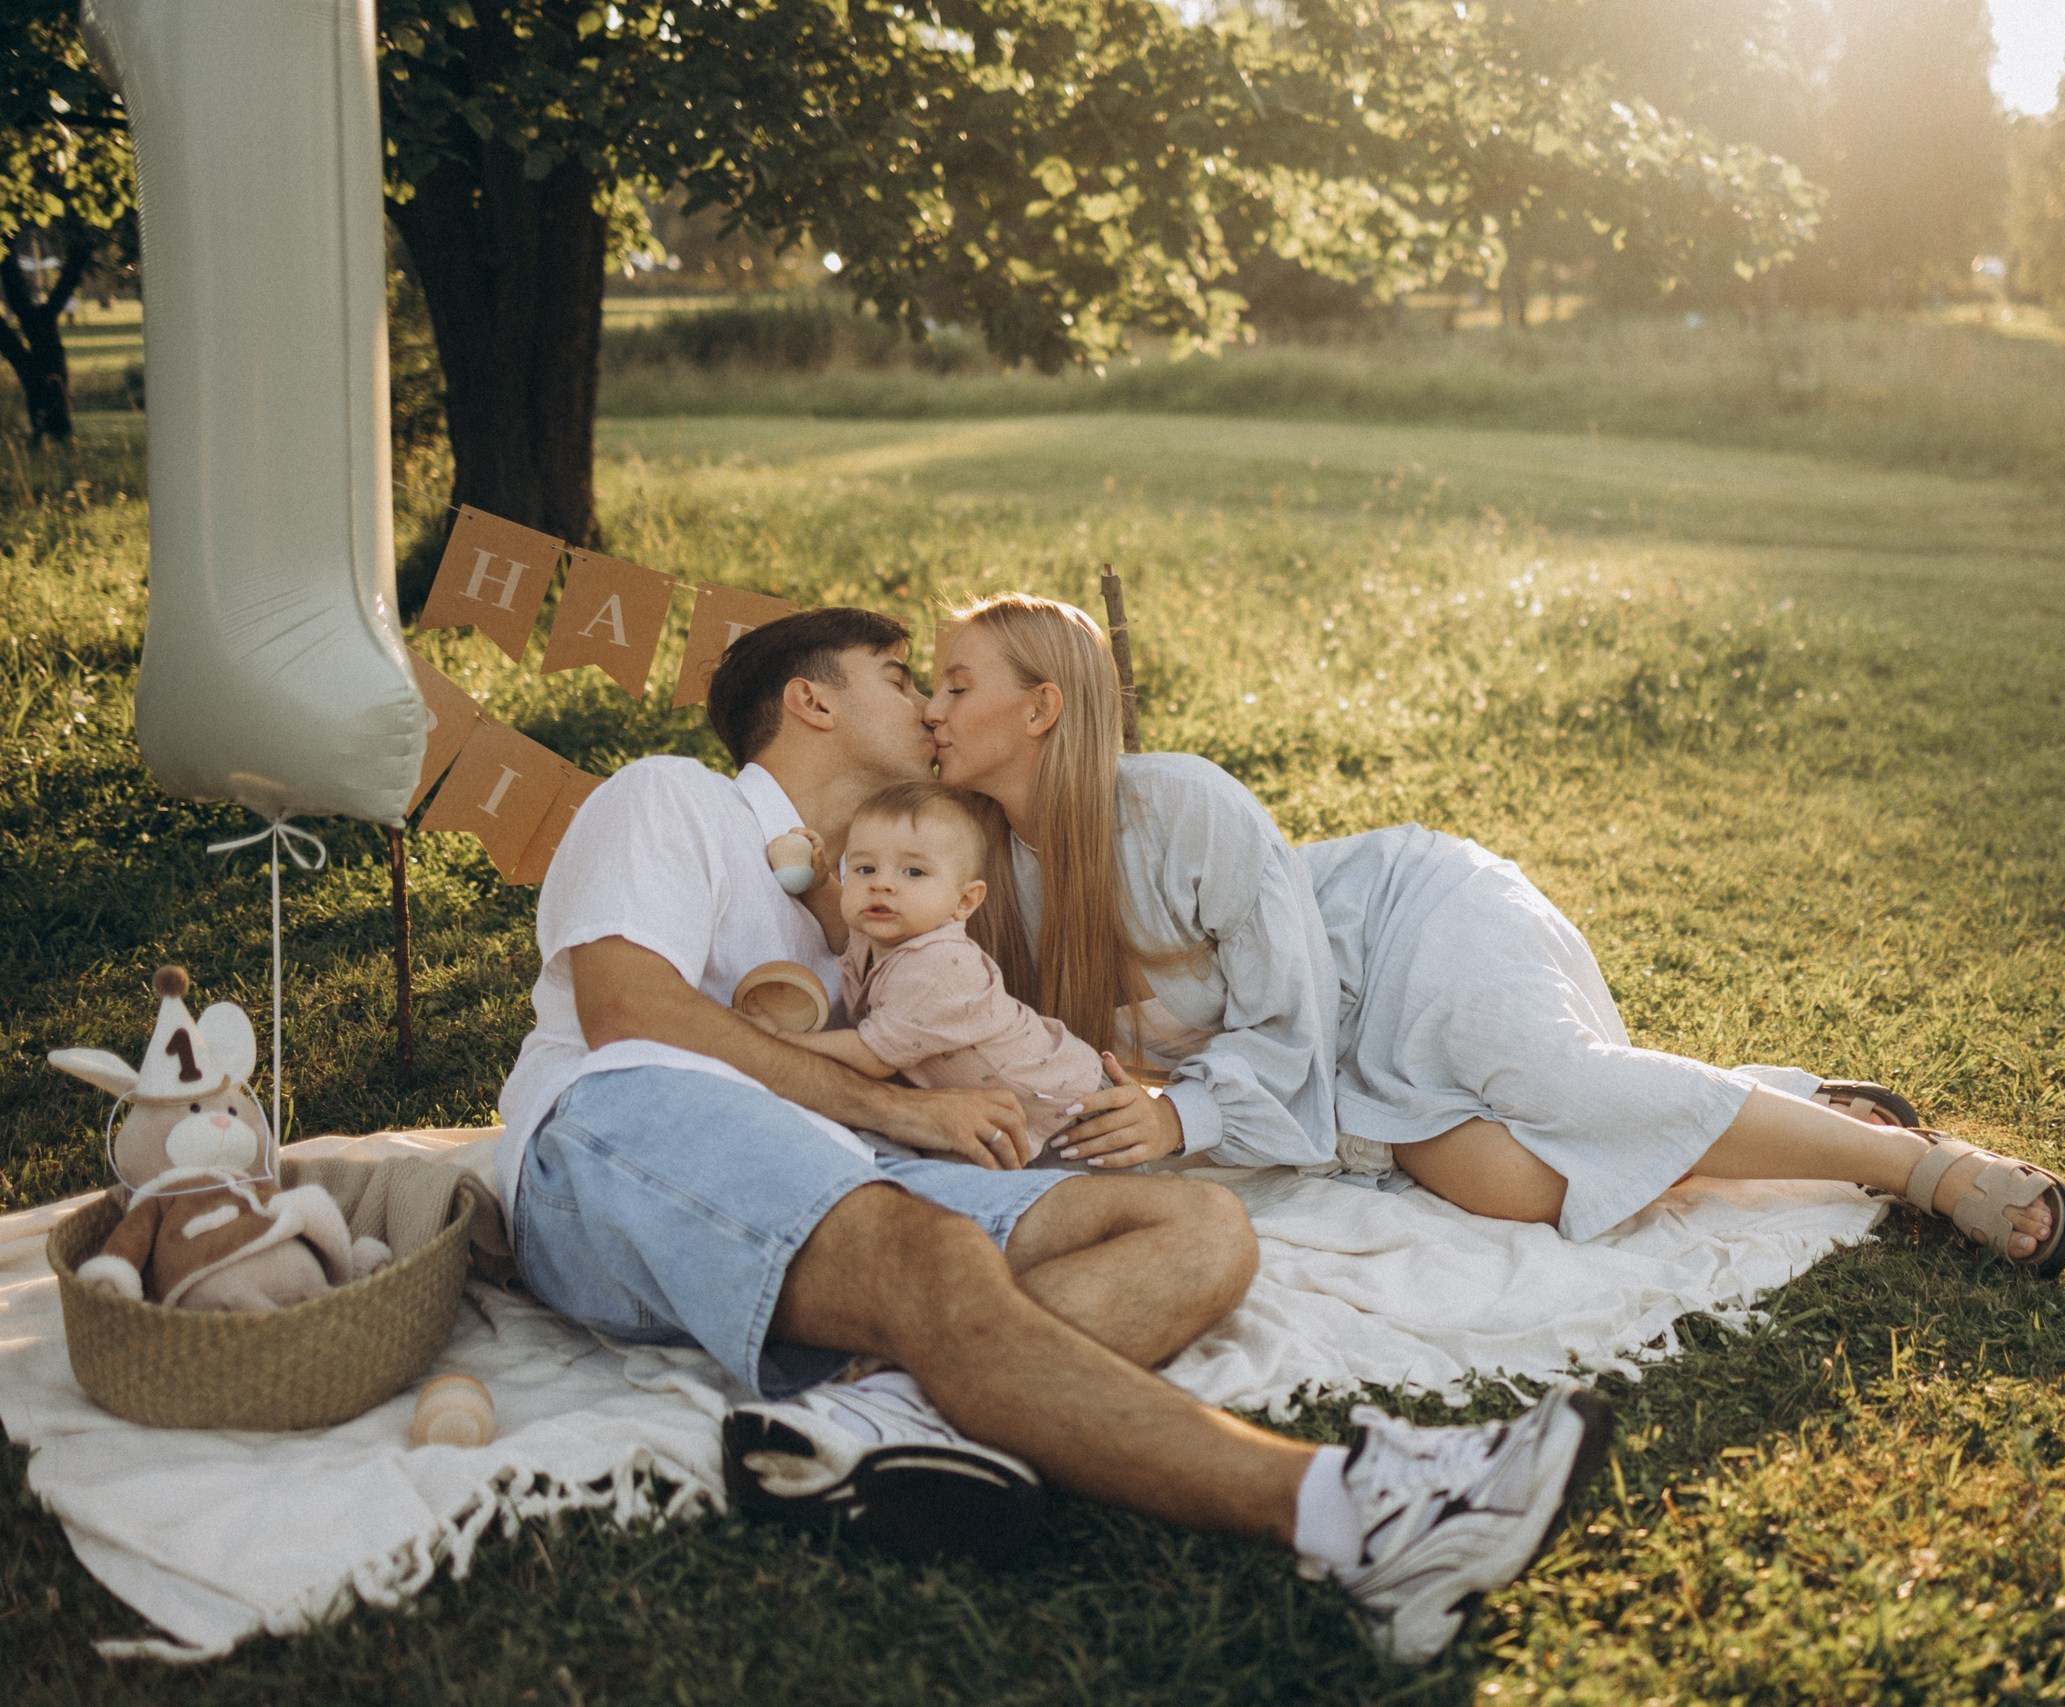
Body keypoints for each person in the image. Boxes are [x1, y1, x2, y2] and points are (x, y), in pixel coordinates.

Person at [492, 607, 1612, 1665]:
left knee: (1194, 1229)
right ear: (811, 703)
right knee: (933, 1257)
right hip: (611, 1141)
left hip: (822, 1177)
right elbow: (627, 1010)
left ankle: (872, 1422)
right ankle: (1352, 1509)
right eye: (900, 679)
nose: (929, 706)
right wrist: (898, 1108)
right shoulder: (668, 799)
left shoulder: (866, 901)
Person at [928, 595, 2065, 1275]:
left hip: (1403, 923)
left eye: (954, 684)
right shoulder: (981, 871)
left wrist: (1181, 1109)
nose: (932, 709)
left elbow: (1280, 1005)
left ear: (1043, 709)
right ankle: (1793, 1113)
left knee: (1550, 1079)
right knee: (1508, 1185)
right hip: (1330, 1062)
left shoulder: (1182, 803)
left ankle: (1929, 1170)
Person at [771, 776, 1111, 1158]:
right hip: (1014, 1105)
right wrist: (818, 882)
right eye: (865, 869)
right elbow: (842, 929)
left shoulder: (938, 966)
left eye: (913, 872)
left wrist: (778, 1042)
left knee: (1076, 1203)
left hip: (1066, 1110)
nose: (882, 884)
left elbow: (873, 1056)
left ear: (964, 902)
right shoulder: (883, 934)